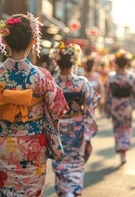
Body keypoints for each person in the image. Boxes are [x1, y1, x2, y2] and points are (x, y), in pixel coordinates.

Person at [0, 13, 69, 196]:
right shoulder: (42, 76)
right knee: (31, 192)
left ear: (5, 41)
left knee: (6, 190)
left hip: (3, 145)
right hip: (34, 144)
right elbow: (58, 108)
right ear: (32, 42)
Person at [50, 42, 100, 197]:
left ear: (56, 61)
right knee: (76, 162)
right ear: (74, 61)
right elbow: (92, 104)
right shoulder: (82, 82)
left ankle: (65, 189)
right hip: (77, 130)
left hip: (56, 130)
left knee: (59, 160)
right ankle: (72, 190)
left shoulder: (51, 82)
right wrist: (88, 129)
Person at [104, 50, 135, 165]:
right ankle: (123, 150)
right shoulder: (131, 76)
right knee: (126, 127)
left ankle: (120, 148)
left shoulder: (111, 77)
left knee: (117, 128)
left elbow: (107, 93)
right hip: (126, 105)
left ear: (116, 63)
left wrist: (107, 106)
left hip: (115, 104)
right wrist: (134, 105)